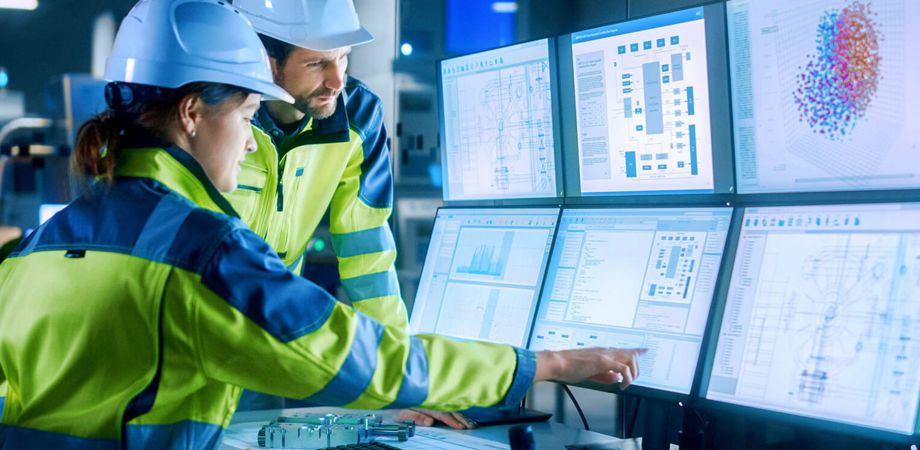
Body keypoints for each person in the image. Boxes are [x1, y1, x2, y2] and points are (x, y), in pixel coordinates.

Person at [0, 1, 644, 448]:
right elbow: (361, 359)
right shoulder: (205, 255)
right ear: (194, 112)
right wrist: (546, 364)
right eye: (248, 112)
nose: (251, 141)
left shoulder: (36, 249)